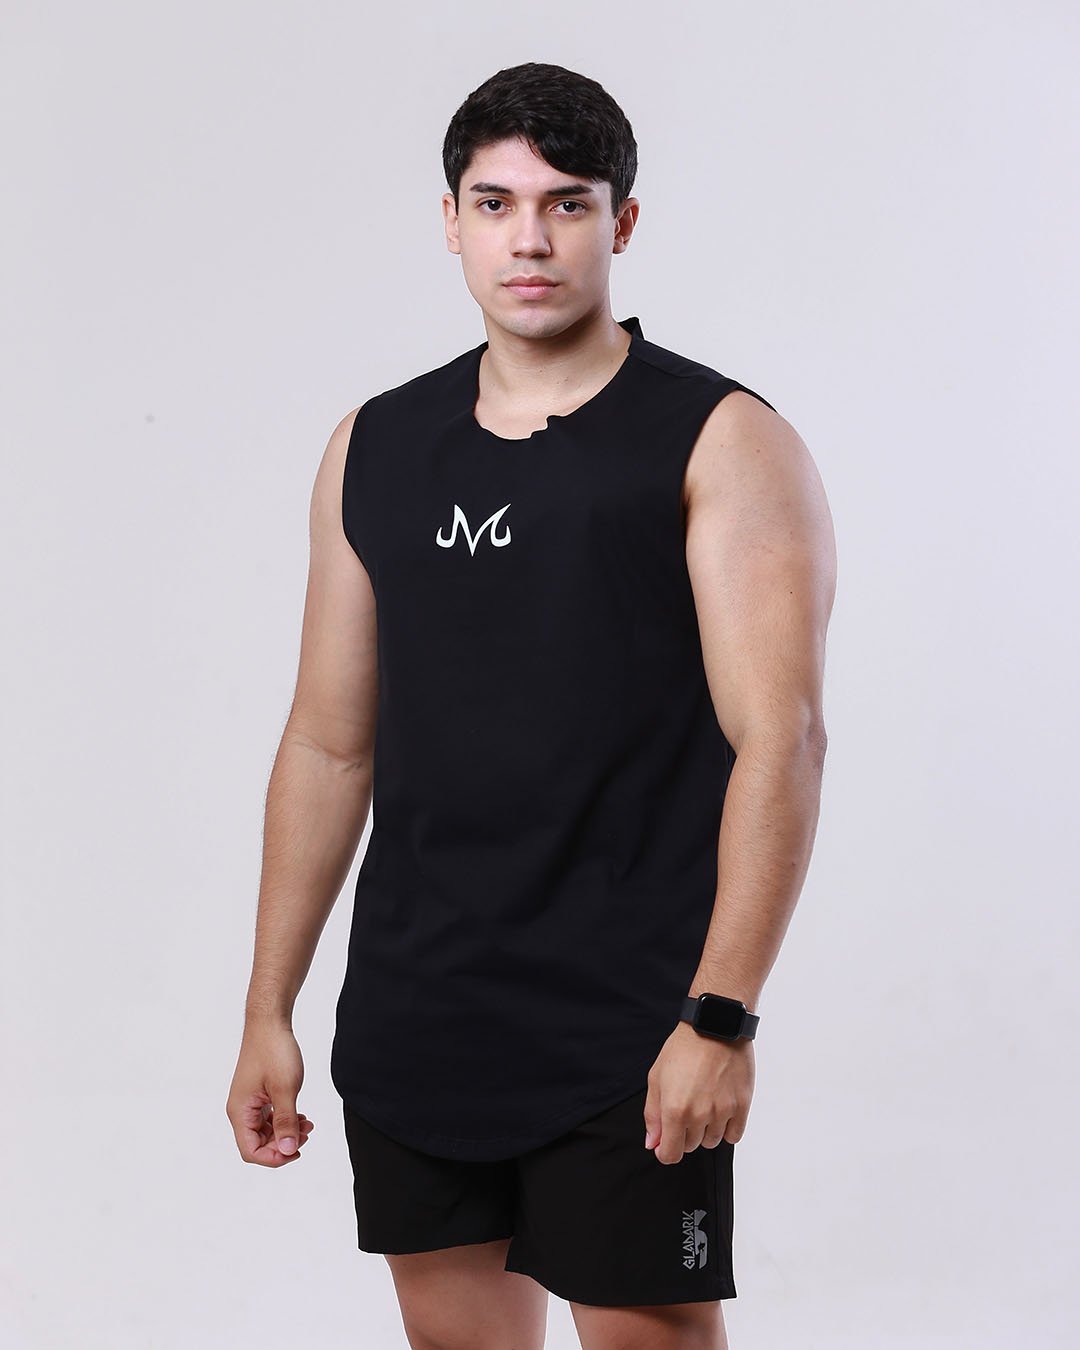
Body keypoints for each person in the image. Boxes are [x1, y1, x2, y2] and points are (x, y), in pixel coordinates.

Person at [226, 61, 836, 1350]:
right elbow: (328, 744)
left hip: (632, 1020)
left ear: (622, 222)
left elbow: (777, 743)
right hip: (419, 1007)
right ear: (451, 222)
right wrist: (268, 1005)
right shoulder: (377, 445)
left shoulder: (719, 439)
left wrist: (721, 1016)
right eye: (496, 204)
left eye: (567, 204)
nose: (530, 239)